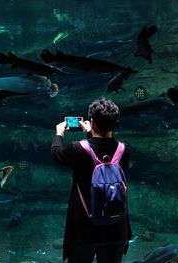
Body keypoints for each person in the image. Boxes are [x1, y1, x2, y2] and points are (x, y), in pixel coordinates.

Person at [51, 98, 132, 263]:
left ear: (92, 121)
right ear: (116, 123)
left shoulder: (77, 149)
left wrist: (59, 133)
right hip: (116, 228)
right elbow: (104, 151)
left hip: (83, 230)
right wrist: (92, 133)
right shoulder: (125, 150)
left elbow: (56, 153)